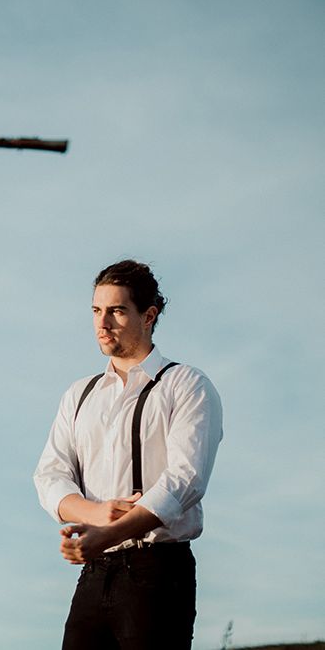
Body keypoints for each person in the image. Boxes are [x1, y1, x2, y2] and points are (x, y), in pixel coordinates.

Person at [33, 259, 223, 650]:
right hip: (93, 574)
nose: (103, 324)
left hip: (157, 571)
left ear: (149, 315)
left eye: (117, 311)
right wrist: (95, 515)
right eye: (96, 311)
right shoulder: (79, 394)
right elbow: (49, 476)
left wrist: (111, 533)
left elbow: (186, 479)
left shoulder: (186, 385)